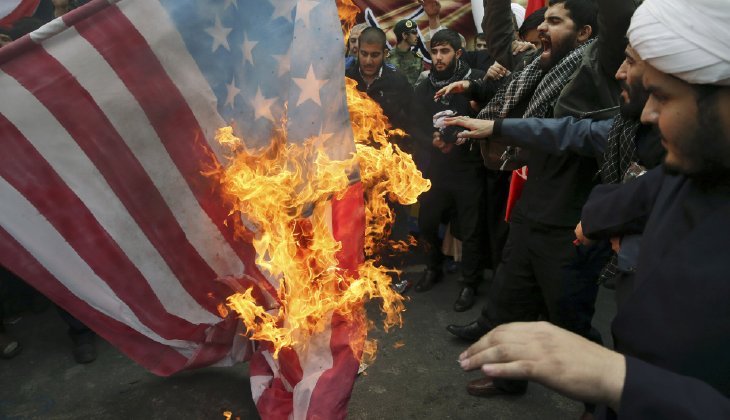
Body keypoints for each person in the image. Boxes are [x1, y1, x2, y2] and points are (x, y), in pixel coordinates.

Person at [459, 0, 730, 417]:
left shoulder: (596, 69)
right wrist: (598, 219)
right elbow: (637, 189)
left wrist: (615, 379)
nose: (648, 114)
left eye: (661, 95)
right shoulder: (693, 167)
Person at [441, 0, 634, 406]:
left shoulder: (597, 67)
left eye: (555, 21)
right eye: (542, 19)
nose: (542, 28)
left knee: (570, 322)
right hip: (531, 211)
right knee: (509, 304)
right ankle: (509, 379)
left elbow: (617, 19)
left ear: (585, 33)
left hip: (570, 224)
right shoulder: (538, 67)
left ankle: (602, 405)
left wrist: (499, 126)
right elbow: (501, 44)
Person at [410, 29, 487, 312]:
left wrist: (458, 138)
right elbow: (415, 124)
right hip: (437, 169)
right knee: (427, 222)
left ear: (458, 53)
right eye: (435, 51)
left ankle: (470, 282)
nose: (438, 57)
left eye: (445, 51)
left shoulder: (475, 80)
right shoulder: (424, 87)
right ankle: (433, 268)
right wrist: (431, 139)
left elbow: (488, 114)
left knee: (471, 228)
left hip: (469, 166)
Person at [386, 19, 424, 86]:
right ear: (404, 35)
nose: (417, 35)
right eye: (414, 32)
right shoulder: (388, 58)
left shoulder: (418, 58)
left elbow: (420, 83)